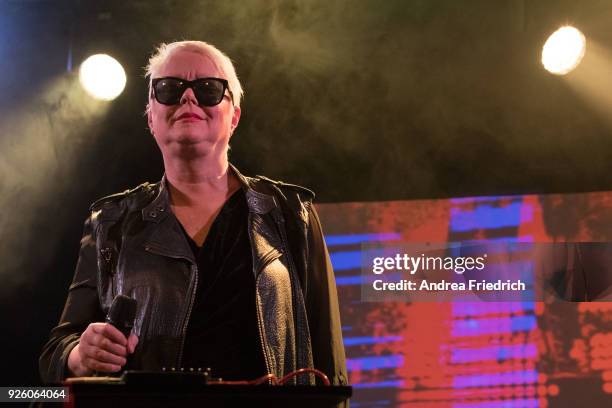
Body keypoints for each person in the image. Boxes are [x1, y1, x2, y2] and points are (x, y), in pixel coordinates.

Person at [39, 40, 348, 388]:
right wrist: (79, 355)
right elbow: (56, 353)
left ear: (234, 117)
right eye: (169, 89)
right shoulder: (111, 222)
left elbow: (330, 368)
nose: (189, 99)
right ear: (151, 118)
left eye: (208, 89)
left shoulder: (291, 214)